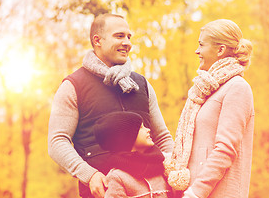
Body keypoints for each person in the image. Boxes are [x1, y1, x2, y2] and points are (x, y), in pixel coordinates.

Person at [48, 13, 174, 198]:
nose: (128, 43)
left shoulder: (142, 84)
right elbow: (57, 142)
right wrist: (89, 175)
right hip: (104, 191)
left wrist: (173, 169)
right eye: (120, 36)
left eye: (129, 37)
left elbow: (162, 137)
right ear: (97, 40)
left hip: (154, 189)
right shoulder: (73, 86)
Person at [164, 19, 255, 198]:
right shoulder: (206, 91)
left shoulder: (237, 88)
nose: (197, 51)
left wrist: (195, 193)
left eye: (201, 45)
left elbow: (225, 149)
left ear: (220, 50)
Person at [92, 111, 173, 197]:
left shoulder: (162, 165)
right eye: (141, 127)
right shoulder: (117, 178)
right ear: (126, 139)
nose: (148, 130)